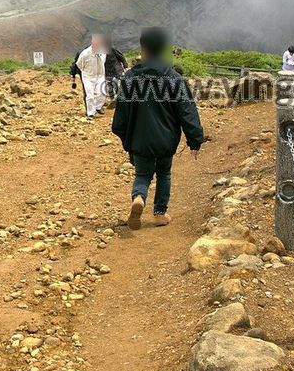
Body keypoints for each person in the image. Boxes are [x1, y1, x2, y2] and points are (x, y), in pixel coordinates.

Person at [111, 27, 204, 230]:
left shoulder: (130, 79)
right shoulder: (174, 79)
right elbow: (187, 112)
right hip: (166, 140)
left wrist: (126, 138)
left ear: (143, 48)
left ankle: (138, 198)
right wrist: (195, 140)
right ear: (163, 49)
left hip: (139, 140)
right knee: (164, 174)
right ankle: (160, 213)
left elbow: (121, 116)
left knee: (142, 175)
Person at [74, 34, 108, 118]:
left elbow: (103, 61)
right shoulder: (85, 54)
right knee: (90, 95)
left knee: (102, 93)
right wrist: (86, 72)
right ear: (92, 43)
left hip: (100, 75)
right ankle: (90, 113)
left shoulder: (103, 51)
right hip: (88, 77)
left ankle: (98, 107)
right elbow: (79, 65)